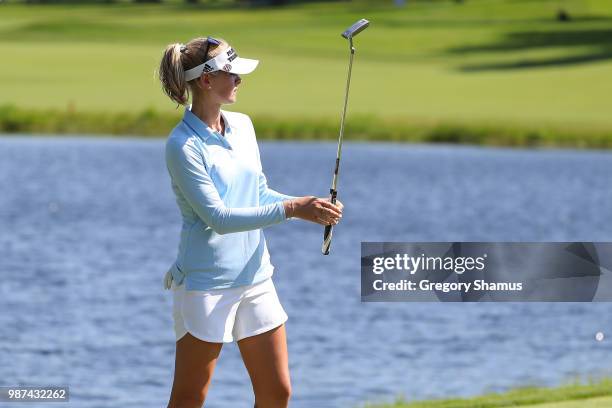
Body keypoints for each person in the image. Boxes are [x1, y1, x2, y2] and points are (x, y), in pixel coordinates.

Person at [157, 36, 344, 408]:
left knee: (277, 392)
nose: (240, 80)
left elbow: (258, 193)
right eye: (233, 74)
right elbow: (218, 218)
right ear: (207, 81)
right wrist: (293, 208)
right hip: (207, 285)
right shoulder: (183, 146)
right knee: (190, 398)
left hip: (256, 277)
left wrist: (310, 208)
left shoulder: (242, 126)